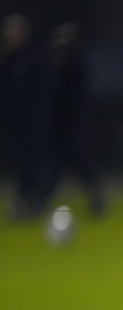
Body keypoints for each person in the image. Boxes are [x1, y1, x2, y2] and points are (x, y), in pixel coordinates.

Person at [37, 23, 107, 217]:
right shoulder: (53, 69)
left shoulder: (76, 70)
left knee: (82, 168)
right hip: (59, 130)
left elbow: (78, 103)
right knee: (53, 170)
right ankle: (41, 202)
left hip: (73, 130)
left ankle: (97, 199)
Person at [0, 13, 48, 221]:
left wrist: (41, 117)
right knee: (20, 164)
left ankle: (29, 201)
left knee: (31, 163)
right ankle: (28, 201)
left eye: (14, 34)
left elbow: (41, 91)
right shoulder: (8, 62)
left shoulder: (33, 58)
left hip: (32, 123)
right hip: (12, 124)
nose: (11, 39)